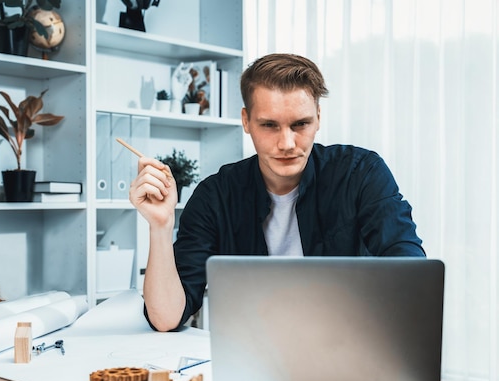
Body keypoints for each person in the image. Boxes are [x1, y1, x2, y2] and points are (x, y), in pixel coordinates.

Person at [129, 53, 425, 332]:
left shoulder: (361, 173)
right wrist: (160, 226)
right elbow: (166, 319)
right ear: (246, 121)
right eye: (269, 125)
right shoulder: (215, 196)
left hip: (346, 345)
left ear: (318, 118)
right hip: (252, 357)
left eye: (301, 124)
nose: (287, 143)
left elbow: (411, 277)